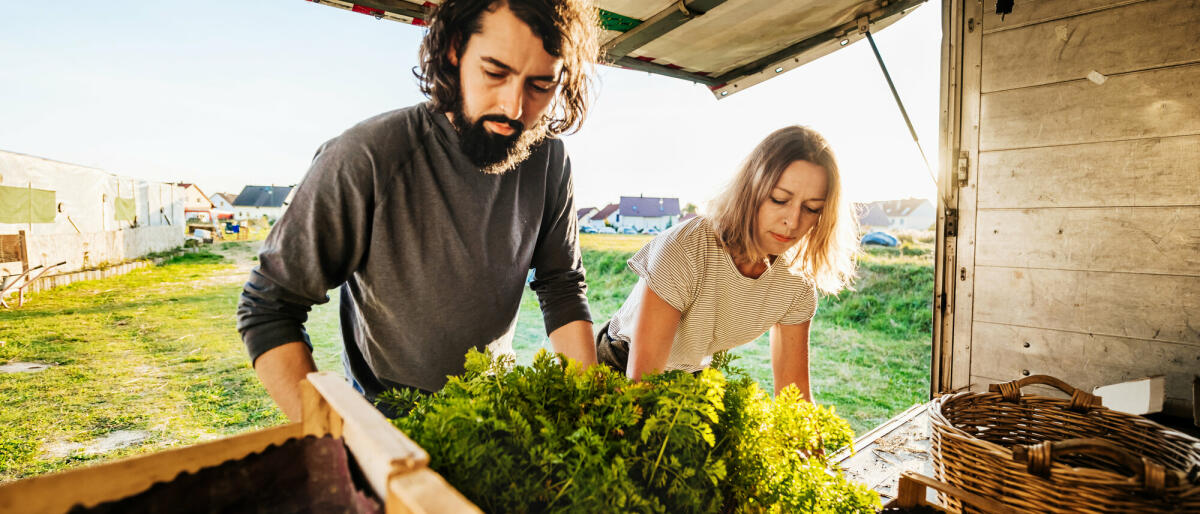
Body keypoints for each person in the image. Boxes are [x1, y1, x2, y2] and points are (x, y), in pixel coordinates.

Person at [237, 0, 601, 421]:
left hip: (494, 410)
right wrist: (339, 440)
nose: (514, 108)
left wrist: (591, 407)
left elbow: (562, 287)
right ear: (454, 50)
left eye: (541, 85)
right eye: (495, 73)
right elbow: (269, 307)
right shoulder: (367, 156)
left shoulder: (549, 161)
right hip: (388, 417)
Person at [595, 126, 858, 399]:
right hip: (620, 367)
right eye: (779, 199)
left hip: (692, 376)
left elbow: (794, 397)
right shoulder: (684, 250)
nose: (792, 222)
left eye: (811, 208)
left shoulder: (797, 283)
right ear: (750, 189)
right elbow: (641, 385)